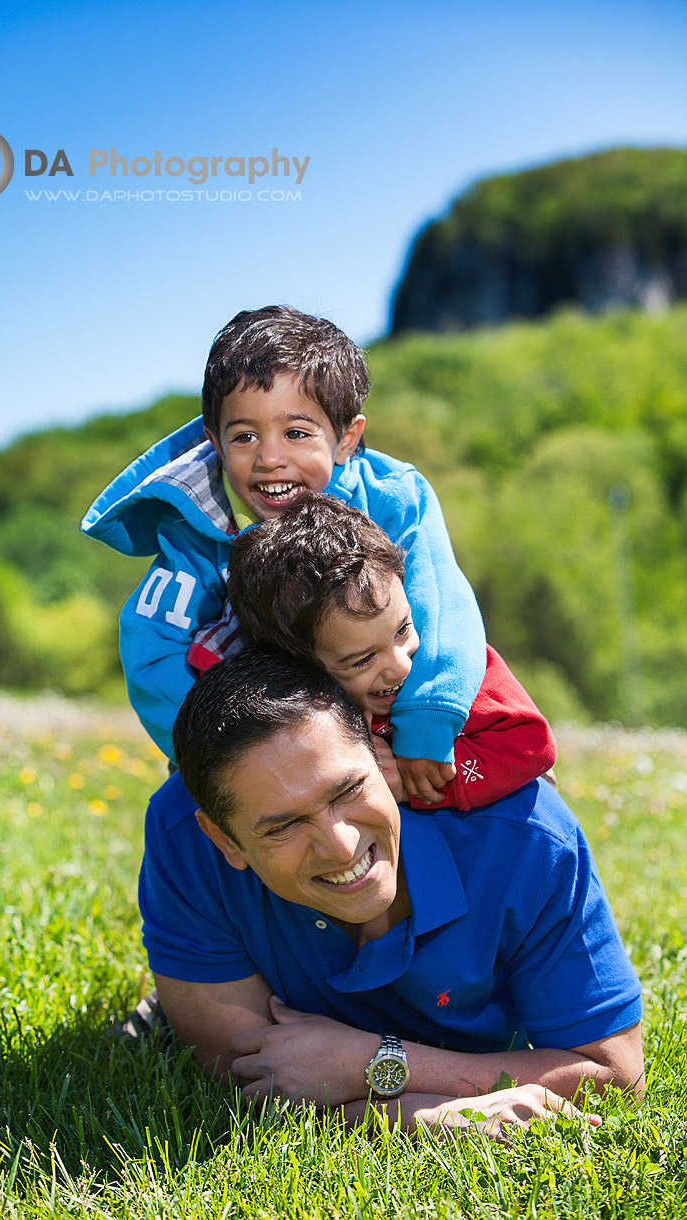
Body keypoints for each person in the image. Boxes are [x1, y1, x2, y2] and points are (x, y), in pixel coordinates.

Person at [139, 650, 644, 1138]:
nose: (341, 847)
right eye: (285, 826)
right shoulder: (182, 832)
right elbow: (250, 1074)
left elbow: (614, 1076)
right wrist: (432, 1115)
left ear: (380, 755)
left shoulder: (529, 838)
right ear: (225, 839)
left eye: (347, 791)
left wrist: (371, 1064)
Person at [81, 305, 485, 803]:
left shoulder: (392, 499)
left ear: (346, 439)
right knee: (176, 811)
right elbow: (153, 650)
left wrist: (425, 721)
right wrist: (240, 761)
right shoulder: (196, 533)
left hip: (399, 711)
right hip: (259, 752)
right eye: (245, 436)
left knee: (513, 762)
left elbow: (441, 604)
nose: (270, 458)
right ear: (215, 442)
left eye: (296, 433)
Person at [199, 492, 557, 810]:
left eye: (403, 629)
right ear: (299, 664)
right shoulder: (299, 714)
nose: (401, 665)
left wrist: (409, 782)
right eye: (363, 659)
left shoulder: (451, 673)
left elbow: (531, 746)